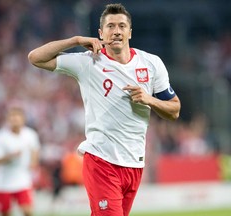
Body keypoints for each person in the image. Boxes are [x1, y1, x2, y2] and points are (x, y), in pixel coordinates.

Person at [28, 3, 180, 216]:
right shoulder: (88, 62)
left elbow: (174, 110)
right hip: (101, 161)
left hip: (134, 163)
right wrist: (75, 41)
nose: (116, 31)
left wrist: (149, 100)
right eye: (110, 26)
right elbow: (35, 57)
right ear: (101, 33)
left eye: (121, 26)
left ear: (130, 32)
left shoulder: (151, 63)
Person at [0, 106, 40, 216]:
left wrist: (33, 162)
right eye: (12, 117)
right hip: (4, 182)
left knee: (27, 211)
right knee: (5, 213)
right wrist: (9, 157)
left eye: (17, 116)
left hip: (22, 180)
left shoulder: (30, 135)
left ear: (23, 119)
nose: (14, 119)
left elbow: (35, 149)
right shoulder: (0, 136)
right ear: (8, 119)